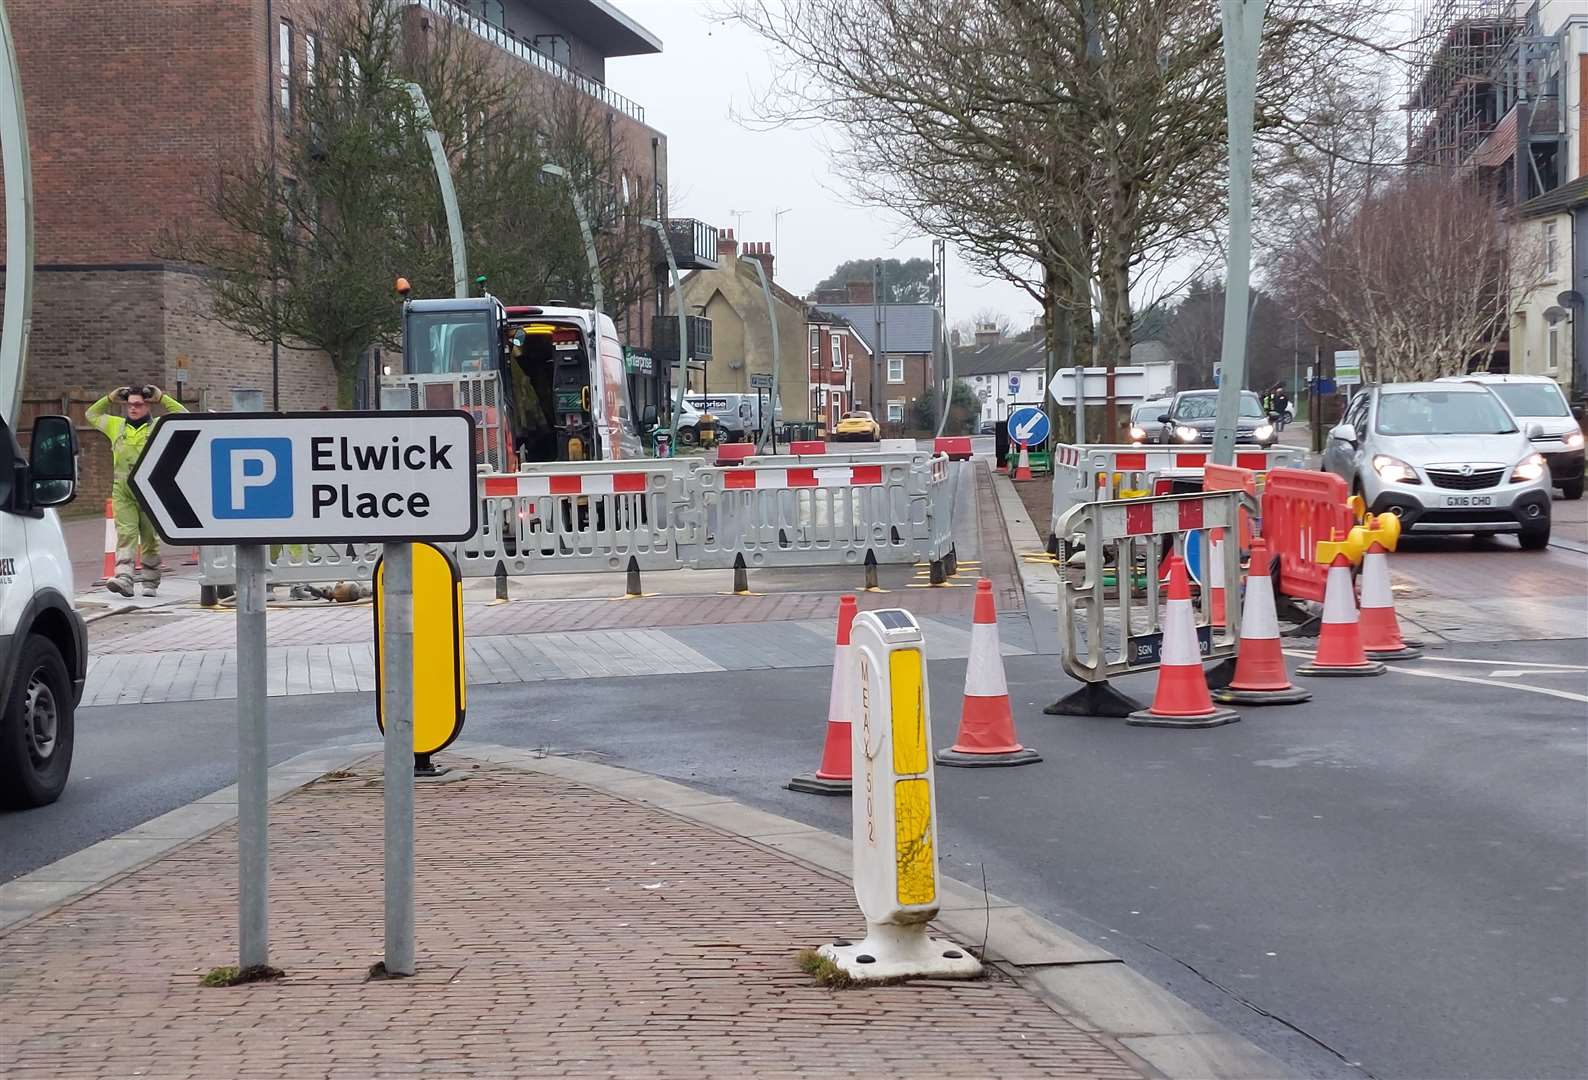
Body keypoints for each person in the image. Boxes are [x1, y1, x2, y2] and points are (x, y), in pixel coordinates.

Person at [86, 385, 187, 597]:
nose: (133, 409)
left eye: (139, 405)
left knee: (150, 538)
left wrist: (162, 398)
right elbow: (91, 414)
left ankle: (150, 581)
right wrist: (110, 397)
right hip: (123, 490)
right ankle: (124, 578)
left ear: (148, 405)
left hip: (150, 490)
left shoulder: (160, 426)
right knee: (126, 534)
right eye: (130, 404)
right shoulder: (116, 425)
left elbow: (183, 416)